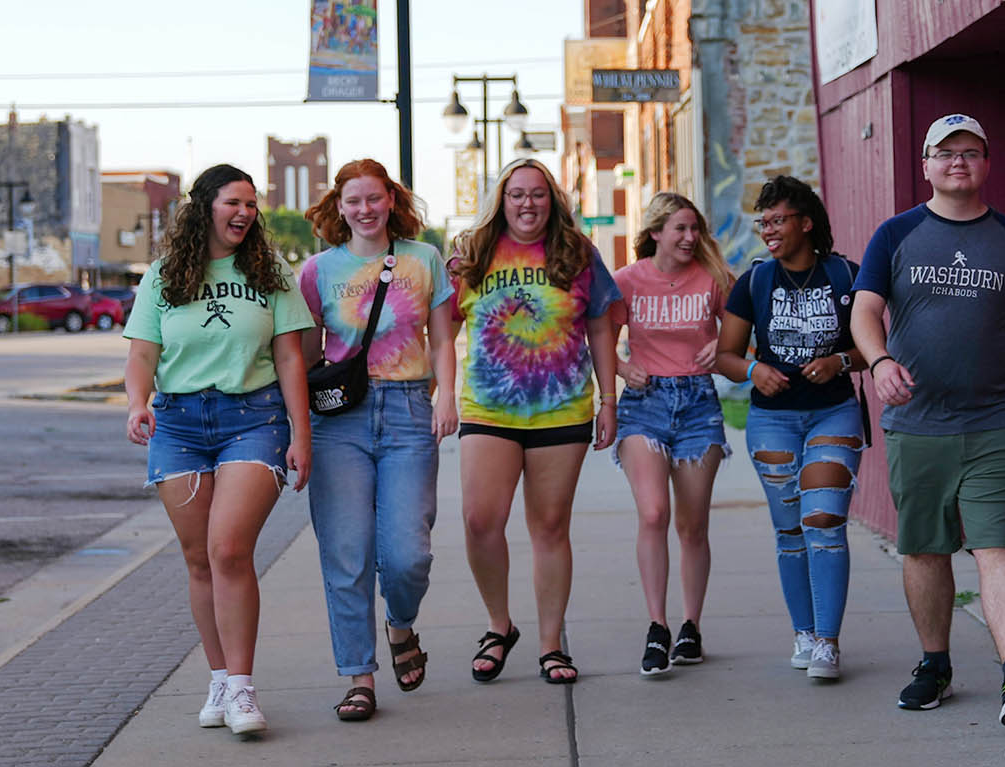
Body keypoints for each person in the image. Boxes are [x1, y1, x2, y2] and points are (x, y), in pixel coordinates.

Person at [849, 114, 1005, 725]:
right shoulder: (896, 234)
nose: (959, 163)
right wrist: (880, 360)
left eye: (971, 152)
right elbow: (865, 311)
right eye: (946, 154)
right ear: (926, 165)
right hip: (917, 425)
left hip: (995, 422)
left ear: (986, 163)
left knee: (998, 545)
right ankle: (935, 664)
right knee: (925, 550)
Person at [122, 164, 313, 736]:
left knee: (229, 549)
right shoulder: (163, 275)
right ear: (204, 205)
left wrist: (301, 435)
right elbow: (140, 355)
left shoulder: (270, 271)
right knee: (199, 558)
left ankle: (244, 689)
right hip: (178, 423)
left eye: (252, 205)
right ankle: (220, 677)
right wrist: (137, 403)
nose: (245, 213)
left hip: (253, 418)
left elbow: (289, 359)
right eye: (234, 202)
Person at [443, 157, 620, 685]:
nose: (528, 204)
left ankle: (550, 645)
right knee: (480, 520)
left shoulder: (578, 253)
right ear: (502, 200)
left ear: (553, 199)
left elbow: (602, 328)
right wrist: (438, 394)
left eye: (538, 194)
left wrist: (608, 399)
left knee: (548, 528)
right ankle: (500, 625)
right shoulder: (472, 254)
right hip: (489, 408)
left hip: (560, 410)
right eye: (517, 194)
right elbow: (440, 328)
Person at [297, 159, 457, 721]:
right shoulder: (318, 271)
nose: (364, 209)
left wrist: (447, 395)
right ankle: (359, 677)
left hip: (411, 412)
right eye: (353, 200)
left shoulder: (423, 260)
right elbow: (302, 353)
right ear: (338, 207)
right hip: (340, 420)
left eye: (374, 198)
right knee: (346, 553)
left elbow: (441, 340)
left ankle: (401, 622)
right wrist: (297, 426)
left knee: (408, 552)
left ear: (391, 199)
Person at [714, 176, 865, 682]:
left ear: (805, 222)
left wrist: (841, 360)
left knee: (823, 523)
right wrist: (755, 370)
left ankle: (827, 642)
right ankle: (803, 632)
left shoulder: (846, 276)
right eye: (763, 223)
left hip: (833, 413)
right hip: (772, 420)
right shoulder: (754, 282)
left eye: (778, 221)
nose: (768, 231)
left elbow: (878, 345)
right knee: (789, 531)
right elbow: (726, 356)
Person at [608, 192, 735, 676]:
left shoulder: (714, 280)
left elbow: (750, 327)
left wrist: (723, 349)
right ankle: (657, 626)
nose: (689, 237)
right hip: (645, 407)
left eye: (694, 229)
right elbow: (593, 335)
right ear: (656, 232)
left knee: (692, 525)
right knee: (654, 512)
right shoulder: (627, 280)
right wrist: (621, 369)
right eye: (679, 228)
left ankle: (690, 627)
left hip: (699, 406)